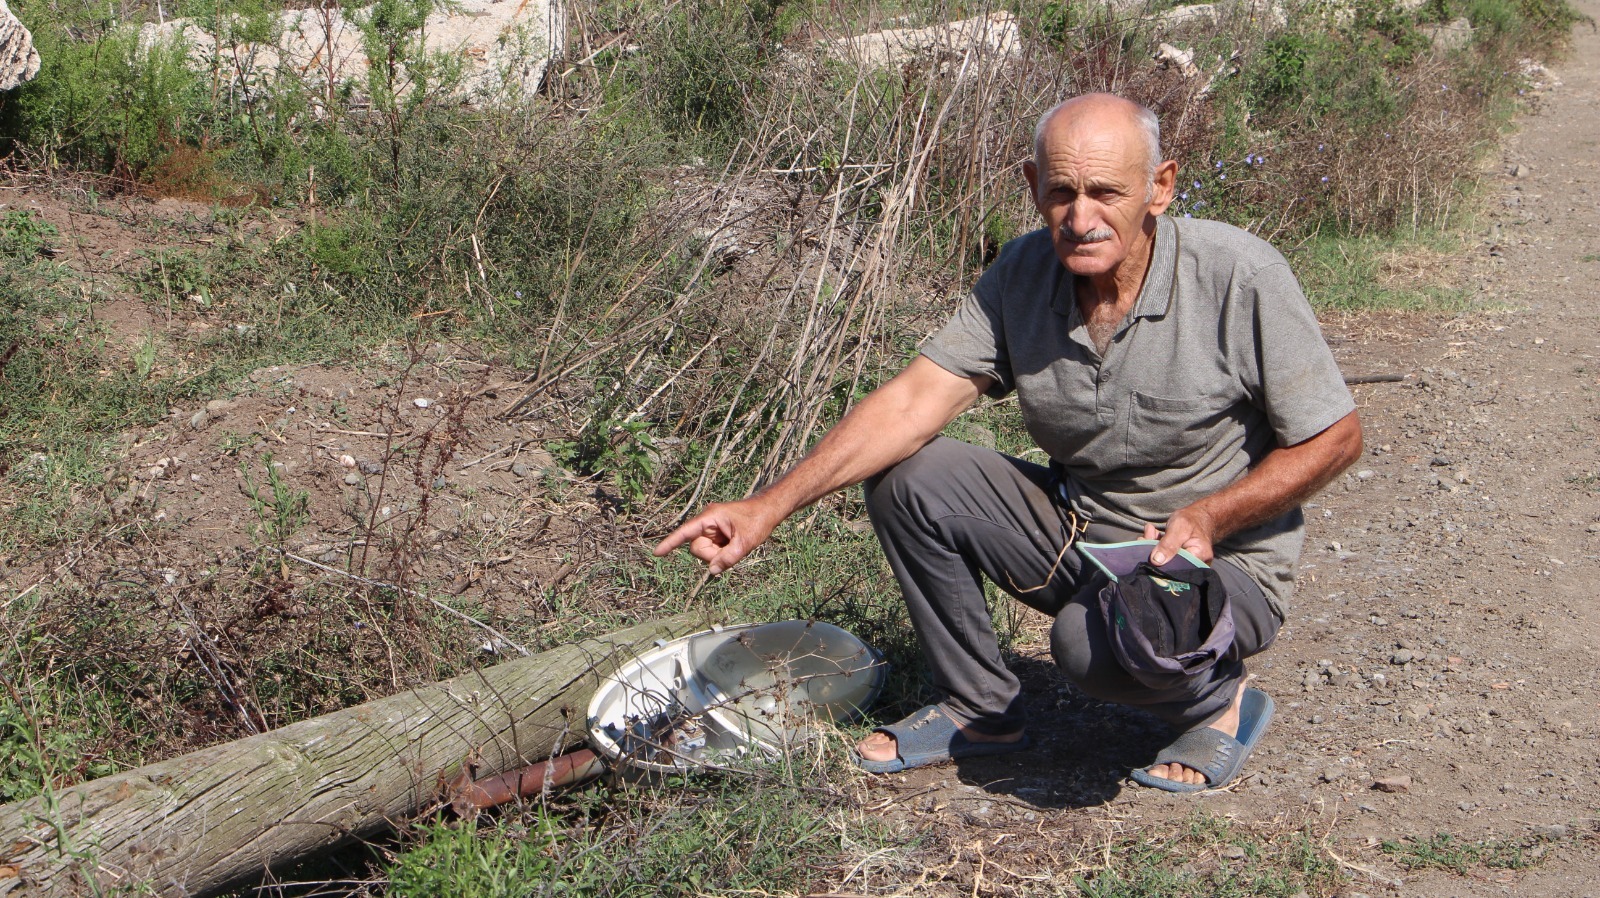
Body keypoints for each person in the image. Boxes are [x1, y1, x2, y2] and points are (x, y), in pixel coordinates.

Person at [654, 92, 1362, 792]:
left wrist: (1213, 515)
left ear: (1161, 187)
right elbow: (912, 402)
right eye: (1061, 192)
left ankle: (1222, 703)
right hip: (1085, 534)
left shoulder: (1240, 275)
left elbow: (1336, 438)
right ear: (1032, 187)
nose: (1080, 219)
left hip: (1218, 564)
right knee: (911, 479)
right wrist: (767, 508)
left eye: (1106, 192)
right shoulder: (1022, 273)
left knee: (1084, 649)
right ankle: (980, 708)